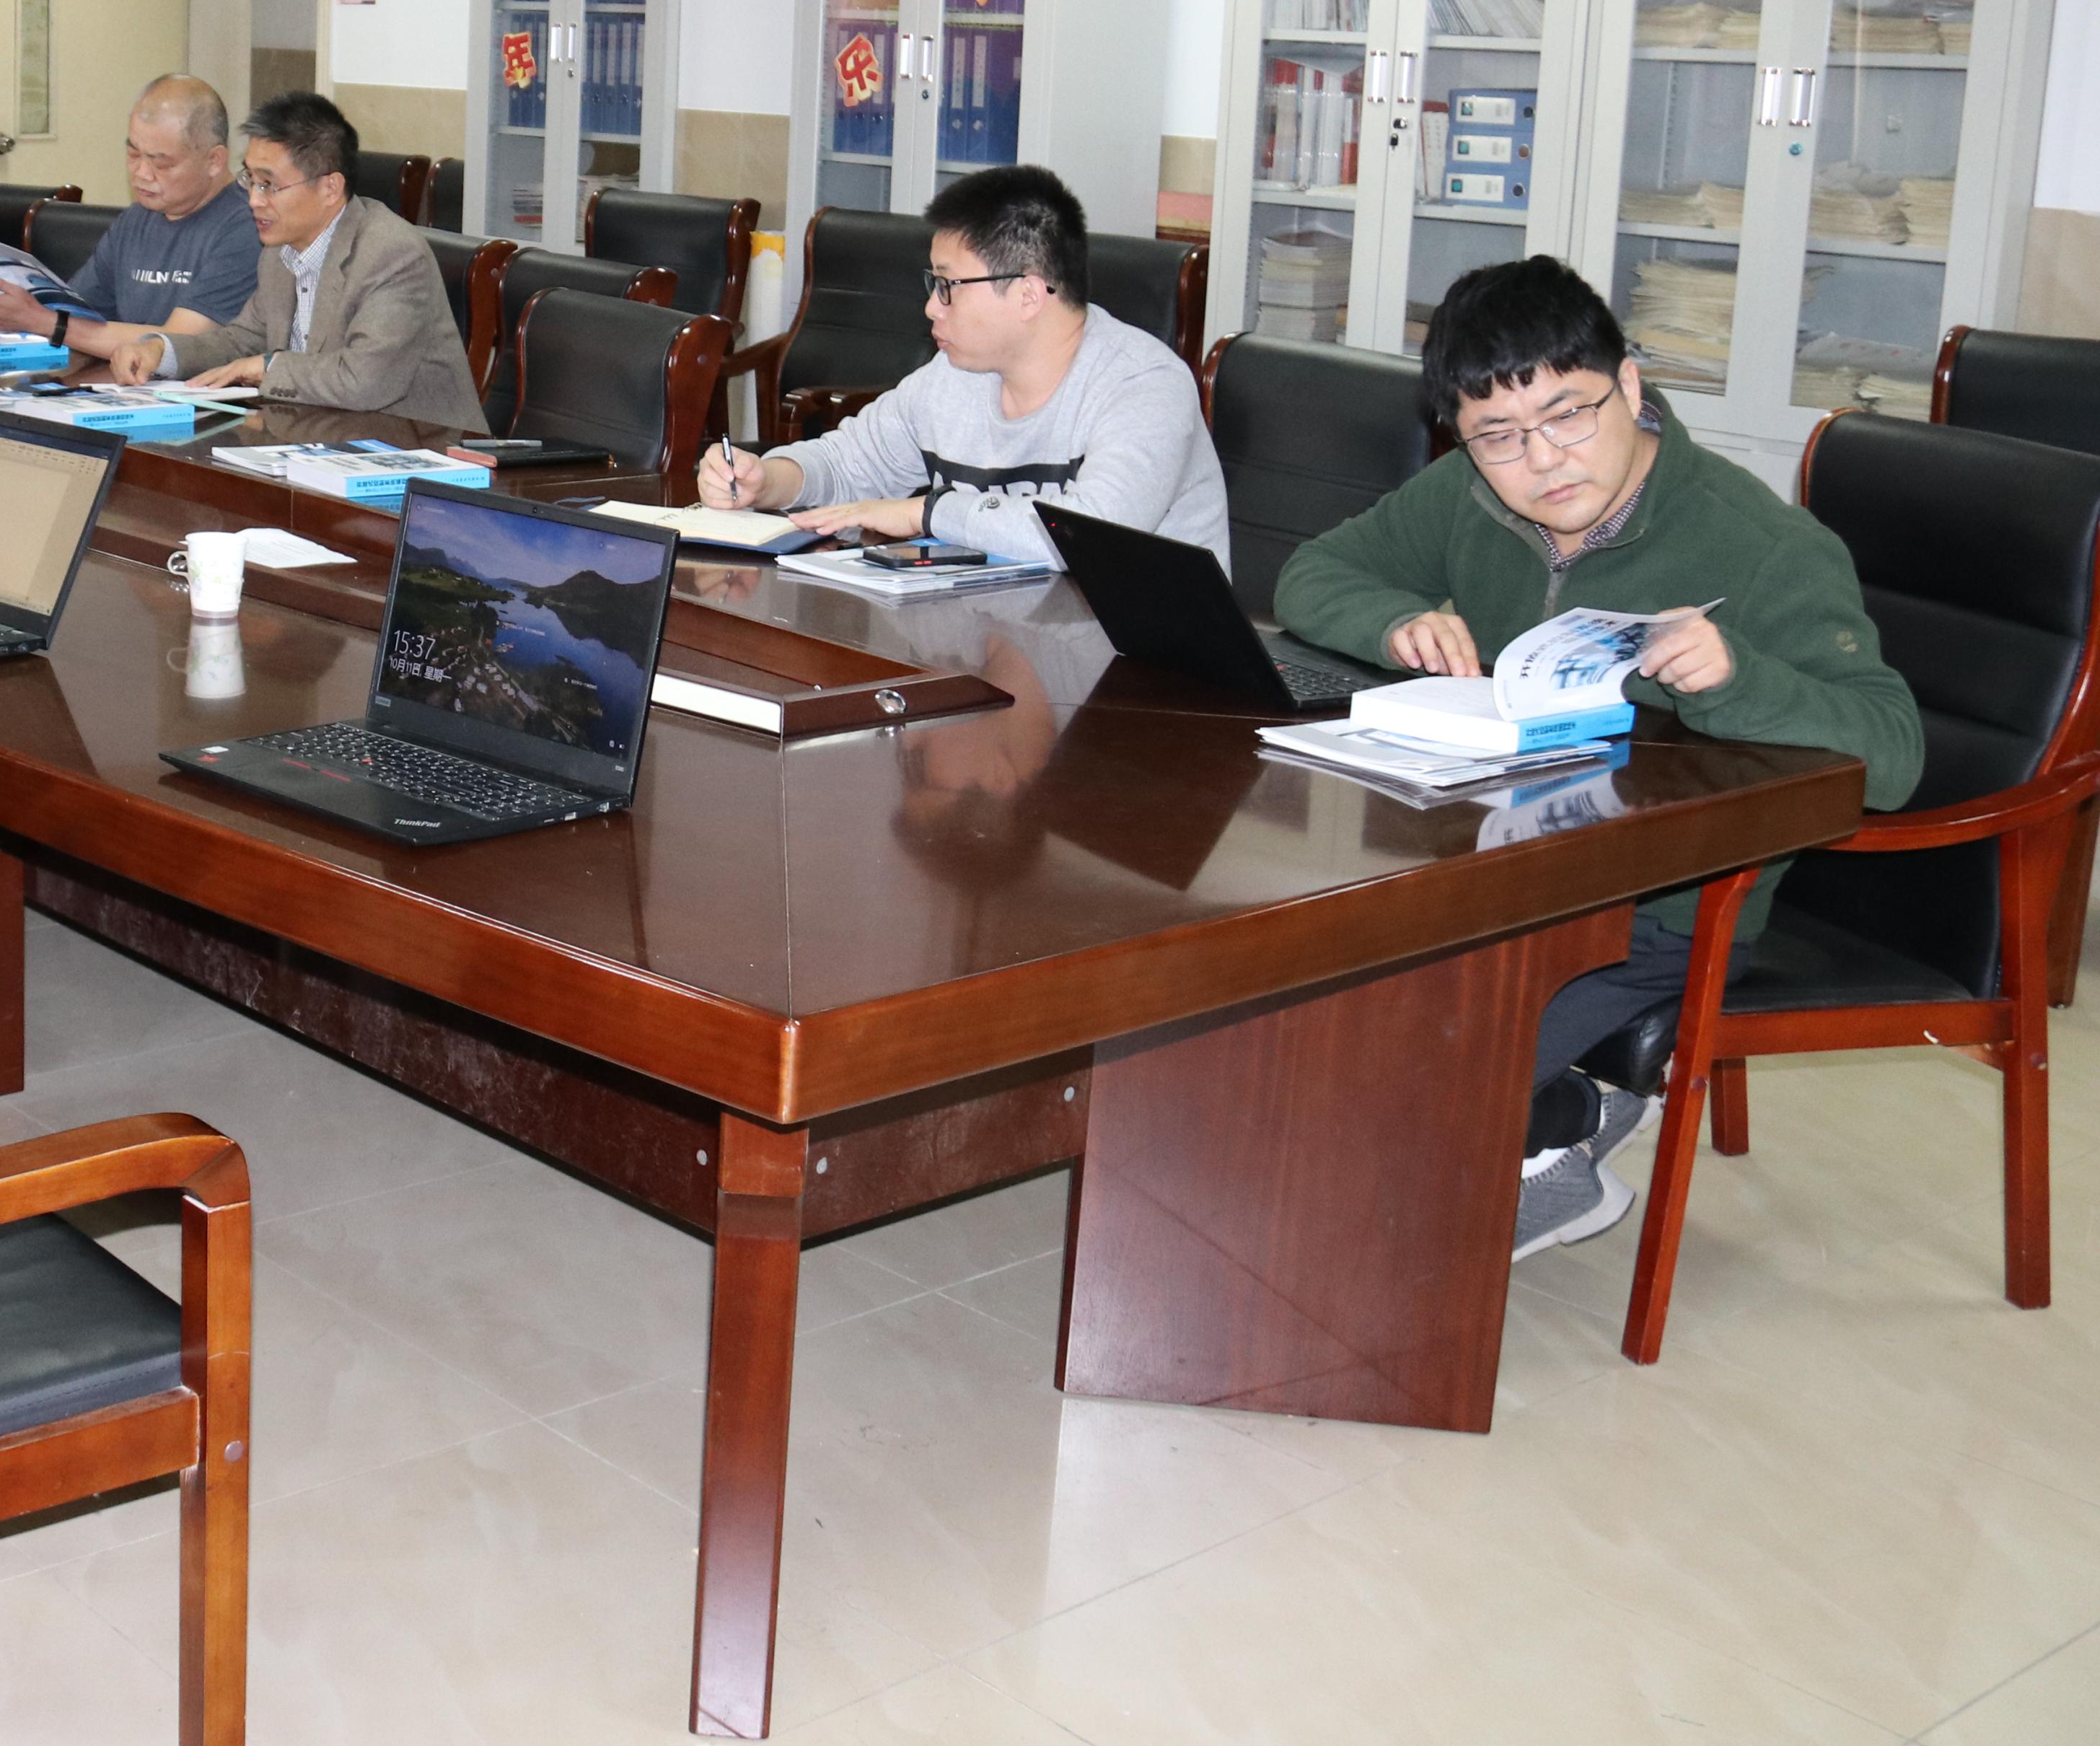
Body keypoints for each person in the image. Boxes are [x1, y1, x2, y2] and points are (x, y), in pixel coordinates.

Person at [1273, 256, 1923, 1259]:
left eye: (1568, 414)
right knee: (1291, 1013)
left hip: (1660, 909)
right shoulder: (1468, 494)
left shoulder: (1763, 544)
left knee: (1397, 1071)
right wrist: (1395, 619)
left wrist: (1737, 676)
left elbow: (1894, 753)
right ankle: (1559, 1116)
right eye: (1497, 435)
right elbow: (1314, 572)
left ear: (1627, 383)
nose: (1542, 460)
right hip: (1486, 860)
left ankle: (1565, 1126)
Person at [695, 164, 1228, 565]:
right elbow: (849, 463)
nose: (932, 306)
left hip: (1151, 669)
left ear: (1028, 295)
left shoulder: (1144, 386)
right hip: (1011, 638)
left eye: (948, 285)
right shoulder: (953, 376)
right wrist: (766, 480)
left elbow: (1091, 538)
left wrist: (927, 512)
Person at [105, 89, 481, 431]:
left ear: (330, 187)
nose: (254, 200)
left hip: (418, 452)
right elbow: (243, 340)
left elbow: (365, 379)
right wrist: (161, 350)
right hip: (317, 438)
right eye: (250, 179)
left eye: (269, 185)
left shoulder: (391, 254)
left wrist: (268, 366)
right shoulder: (279, 250)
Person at [0, 74, 260, 363]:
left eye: (160, 163)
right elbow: (79, 320)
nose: (141, 173)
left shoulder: (247, 225)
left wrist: (43, 322)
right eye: (133, 153)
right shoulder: (137, 219)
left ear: (215, 161)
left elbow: (177, 345)